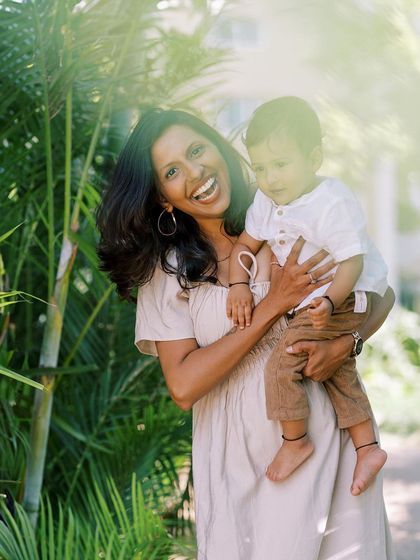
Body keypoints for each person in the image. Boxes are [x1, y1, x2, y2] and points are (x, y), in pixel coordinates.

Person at [97, 108, 396, 559]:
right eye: (173, 171)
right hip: (236, 464)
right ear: (163, 198)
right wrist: (271, 305)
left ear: (218, 148)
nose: (195, 172)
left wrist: (347, 343)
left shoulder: (290, 209)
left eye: (198, 150)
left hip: (329, 443)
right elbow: (183, 386)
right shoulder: (168, 272)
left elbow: (379, 291)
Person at [227, 96, 388, 493]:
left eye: (281, 165)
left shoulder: (331, 202)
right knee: (338, 370)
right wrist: (238, 285)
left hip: (346, 295)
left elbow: (352, 261)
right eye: (260, 168)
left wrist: (331, 302)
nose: (270, 178)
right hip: (319, 301)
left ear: (313, 157)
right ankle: (367, 446)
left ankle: (295, 442)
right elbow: (245, 245)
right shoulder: (266, 201)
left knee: (283, 363)